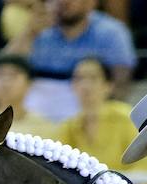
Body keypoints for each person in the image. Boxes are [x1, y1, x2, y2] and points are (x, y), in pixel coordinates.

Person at [8, 0, 136, 122]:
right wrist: (29, 33)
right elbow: (6, 67)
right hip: (36, 115)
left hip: (89, 112)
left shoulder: (111, 32)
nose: (63, 2)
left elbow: (120, 83)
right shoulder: (39, 28)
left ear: (91, 3)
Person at [57, 56, 134, 169]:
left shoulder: (126, 118)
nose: (85, 85)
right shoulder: (68, 126)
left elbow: (145, 167)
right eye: (79, 78)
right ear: (72, 86)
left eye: (93, 78)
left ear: (109, 86)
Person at [0, 52, 59, 138]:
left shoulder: (45, 127)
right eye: (0, 74)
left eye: (13, 75)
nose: (6, 81)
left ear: (29, 82)